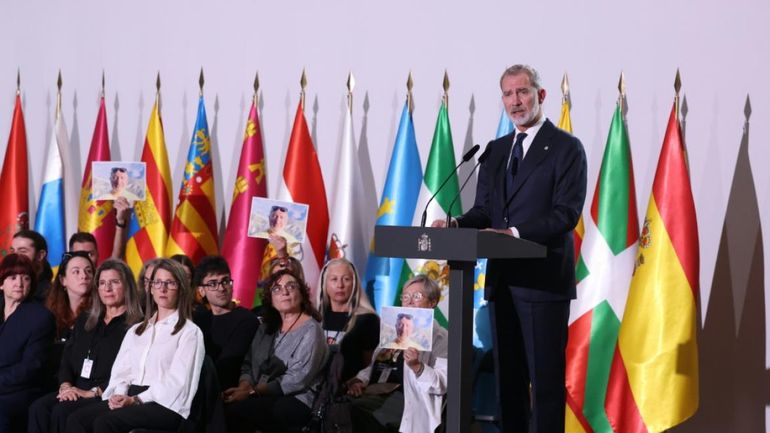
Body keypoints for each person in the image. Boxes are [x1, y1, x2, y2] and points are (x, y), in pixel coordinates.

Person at [433, 64, 587, 433]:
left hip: (542, 285)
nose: (515, 101)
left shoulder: (566, 148)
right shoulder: (496, 150)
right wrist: (456, 224)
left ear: (540, 95)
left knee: (545, 386)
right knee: (509, 385)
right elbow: (486, 210)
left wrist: (514, 233)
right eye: (508, 94)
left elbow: (566, 214)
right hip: (501, 283)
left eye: (522, 92)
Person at [66, 259, 205, 433]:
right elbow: (122, 372)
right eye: (158, 282)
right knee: (76, 420)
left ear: (181, 288)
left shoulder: (189, 332)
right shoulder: (137, 331)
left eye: (170, 283)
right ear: (151, 288)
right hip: (131, 396)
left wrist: (136, 399)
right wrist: (120, 394)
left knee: (105, 423)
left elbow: (177, 384)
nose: (162, 288)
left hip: (165, 404)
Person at [28, 259, 144, 433]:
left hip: (105, 393)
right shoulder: (86, 319)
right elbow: (67, 359)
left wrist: (93, 392)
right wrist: (66, 386)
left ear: (127, 285)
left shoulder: (137, 326)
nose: (107, 288)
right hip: (75, 388)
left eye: (114, 282)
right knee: (38, 408)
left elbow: (132, 371)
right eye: (102, 283)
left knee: (62, 412)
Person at [224, 269, 327, 433]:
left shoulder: (312, 330)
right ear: (270, 298)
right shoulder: (265, 327)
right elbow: (248, 363)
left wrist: (252, 393)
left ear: (302, 294)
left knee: (236, 412)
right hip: (258, 393)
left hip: (295, 399)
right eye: (277, 289)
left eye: (291, 286)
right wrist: (244, 387)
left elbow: (297, 379)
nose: (284, 292)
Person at [347, 274, 447, 433]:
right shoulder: (394, 331)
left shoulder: (441, 338)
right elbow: (376, 367)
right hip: (379, 393)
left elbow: (441, 384)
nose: (409, 301)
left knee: (358, 409)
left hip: (410, 399)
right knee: (343, 405)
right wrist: (360, 380)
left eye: (416, 296)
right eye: (405, 296)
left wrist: (418, 367)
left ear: (432, 302)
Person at [0, 254, 55, 433]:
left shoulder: (40, 317)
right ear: (1, 283)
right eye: (12, 277)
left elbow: (31, 367)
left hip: (20, 390)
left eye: (26, 278)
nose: (19, 283)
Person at [192, 255, 259, 390]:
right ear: (201, 291)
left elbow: (229, 365)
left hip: (226, 391)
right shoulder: (198, 319)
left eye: (225, 281)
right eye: (212, 284)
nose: (221, 288)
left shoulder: (246, 320)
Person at [317, 258, 379, 384]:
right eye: (334, 279)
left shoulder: (367, 319)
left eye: (346, 279)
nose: (340, 285)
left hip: (349, 391)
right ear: (325, 283)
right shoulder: (315, 318)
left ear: (354, 283)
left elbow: (370, 365)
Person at [46, 251, 95, 341]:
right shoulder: (51, 315)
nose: (84, 276)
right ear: (63, 280)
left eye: (88, 271)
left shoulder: (99, 313)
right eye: (76, 271)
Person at [10, 230, 53, 302]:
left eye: (22, 251)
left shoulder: (49, 294)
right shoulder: (5, 285)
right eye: (12, 251)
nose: (15, 256)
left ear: (40, 255)